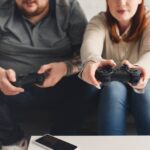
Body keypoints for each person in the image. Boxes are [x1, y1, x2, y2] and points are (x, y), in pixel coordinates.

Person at [0, 0, 96, 149]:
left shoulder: (68, 7)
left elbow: (88, 55)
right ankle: (12, 141)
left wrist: (65, 67)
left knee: (88, 80)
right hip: (10, 87)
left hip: (60, 85)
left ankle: (61, 140)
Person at [80, 0, 150, 135]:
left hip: (145, 82)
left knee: (145, 91)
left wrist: (140, 68)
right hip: (112, 86)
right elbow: (90, 45)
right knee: (114, 90)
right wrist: (91, 61)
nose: (121, 3)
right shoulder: (99, 21)